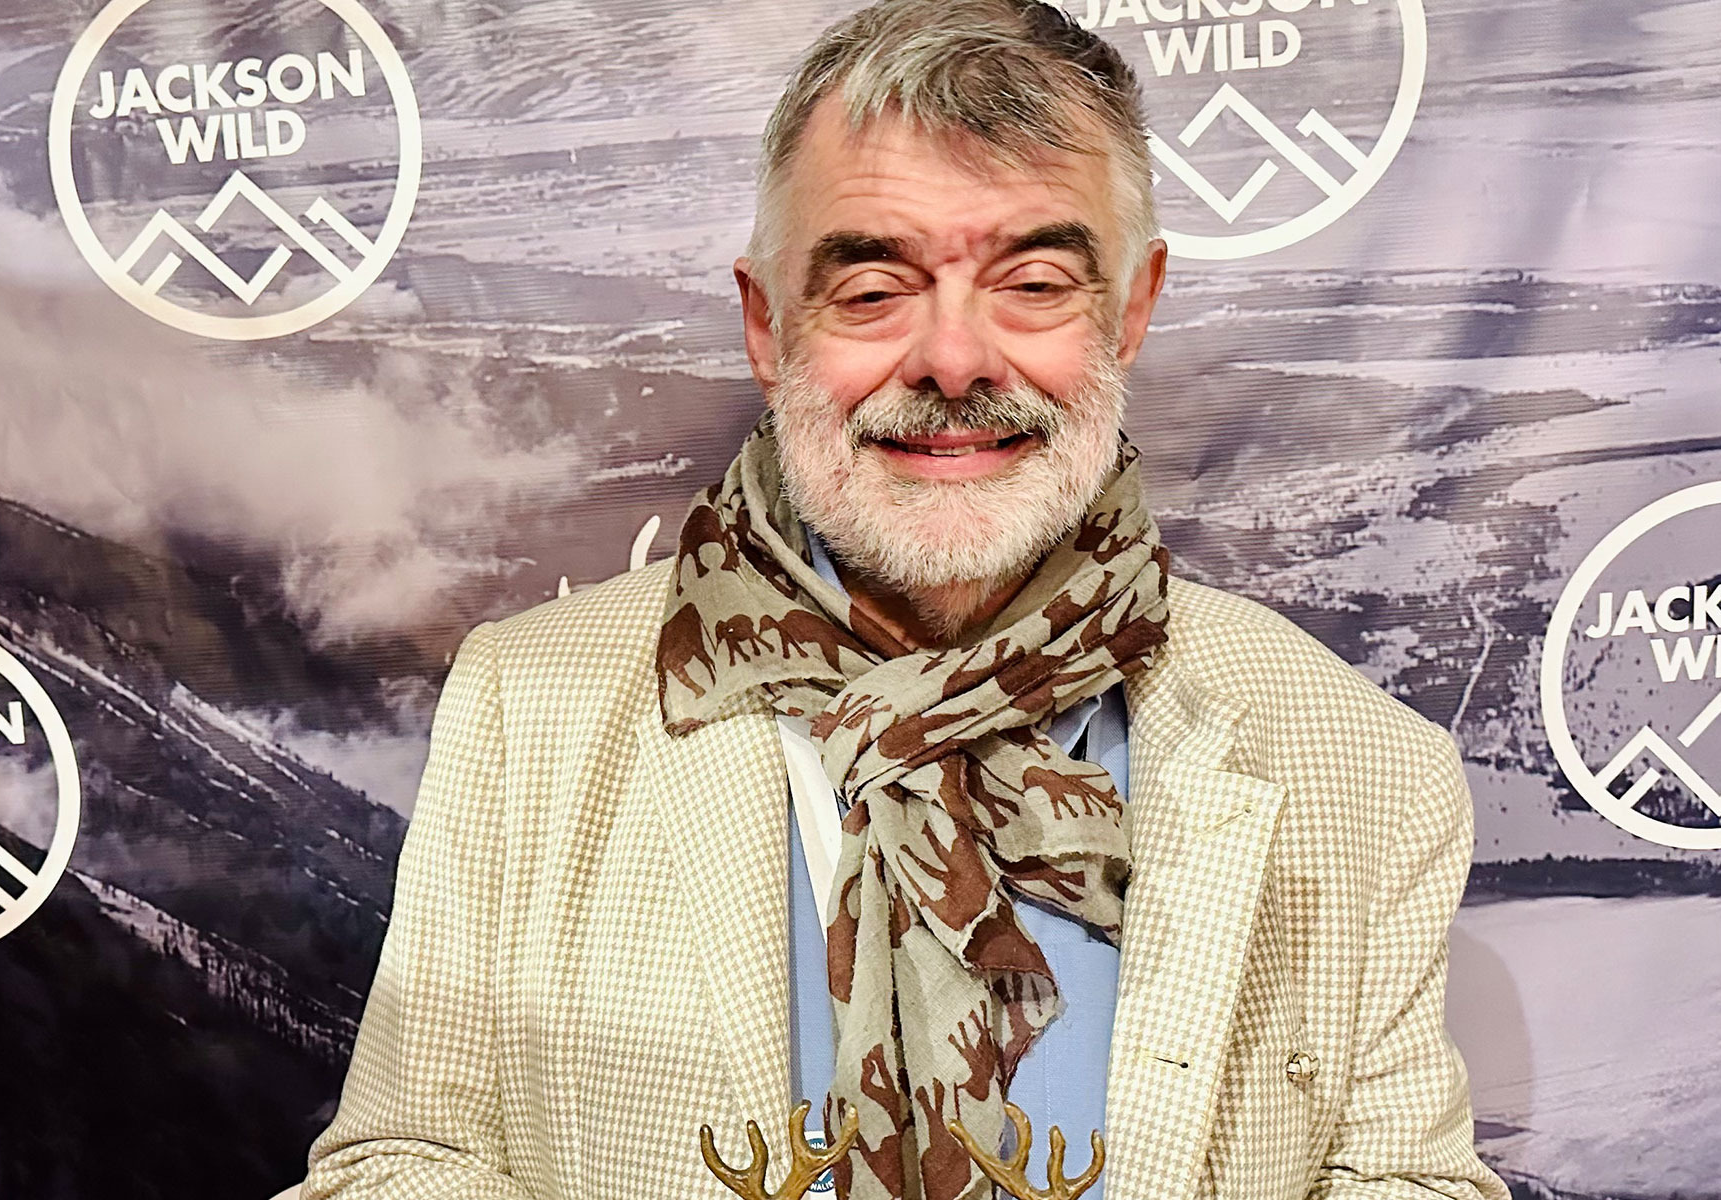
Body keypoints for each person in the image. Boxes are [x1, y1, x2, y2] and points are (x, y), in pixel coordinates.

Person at [307, 1, 1506, 1197]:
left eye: (1034, 282)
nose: (953, 360)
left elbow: (1408, 1181)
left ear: (1130, 310)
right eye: (873, 288)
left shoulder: (1360, 765)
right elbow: (404, 1163)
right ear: (767, 324)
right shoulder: (532, 708)